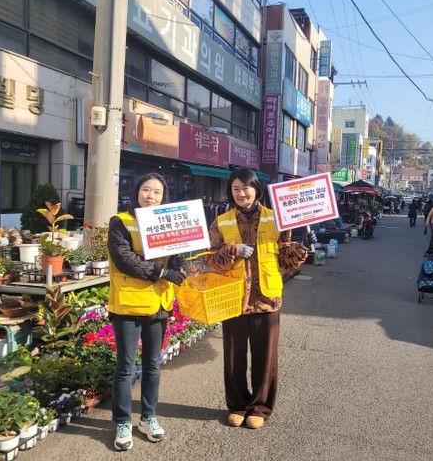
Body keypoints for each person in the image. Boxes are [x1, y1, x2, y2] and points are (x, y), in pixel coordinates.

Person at [204, 168, 308, 430]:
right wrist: (231, 250)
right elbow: (210, 259)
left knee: (265, 357)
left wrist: (298, 252)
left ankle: (260, 407)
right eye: (236, 189)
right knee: (234, 357)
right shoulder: (221, 221)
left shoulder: (278, 218)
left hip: (266, 299)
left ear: (257, 189)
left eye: (246, 187)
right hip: (233, 298)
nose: (241, 193)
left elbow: (285, 261)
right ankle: (237, 405)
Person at [107, 172, 186, 451]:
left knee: (152, 364)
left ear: (164, 197)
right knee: (126, 366)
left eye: (157, 192)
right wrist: (162, 272)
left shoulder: (169, 221)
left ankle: (148, 417)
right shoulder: (120, 222)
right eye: (145, 190)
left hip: (158, 305)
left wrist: (181, 259)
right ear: (136, 191)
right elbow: (125, 259)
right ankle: (122, 422)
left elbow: (175, 258)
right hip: (128, 304)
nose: (150, 196)